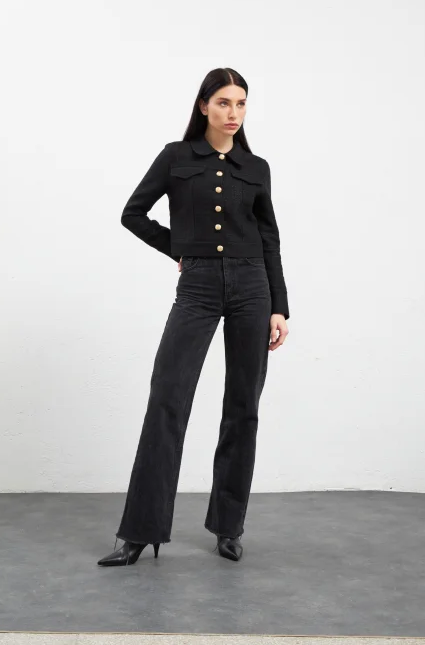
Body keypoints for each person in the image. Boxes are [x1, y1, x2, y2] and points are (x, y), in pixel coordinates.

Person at [97, 67, 290, 567]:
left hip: (252, 288)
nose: (233, 113)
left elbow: (269, 237)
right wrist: (179, 249)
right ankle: (140, 532)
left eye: (241, 103)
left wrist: (279, 306)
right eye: (224, 102)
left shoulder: (257, 167)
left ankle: (229, 526)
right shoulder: (176, 156)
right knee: (168, 398)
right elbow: (133, 213)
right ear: (204, 105)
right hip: (198, 287)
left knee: (242, 406)